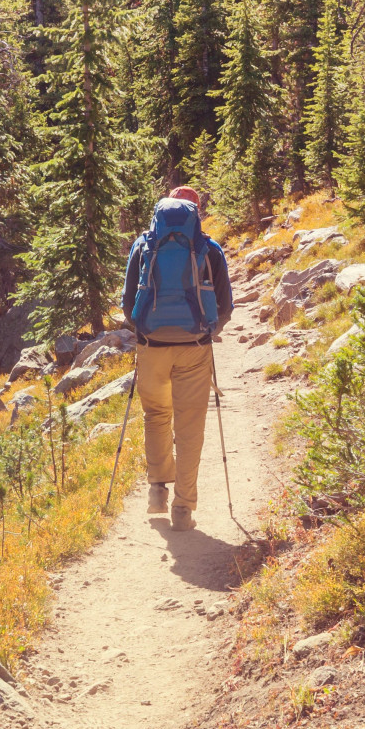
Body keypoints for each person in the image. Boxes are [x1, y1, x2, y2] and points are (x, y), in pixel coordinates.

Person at [121, 185, 233, 530]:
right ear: (196, 214)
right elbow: (226, 306)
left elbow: (128, 305)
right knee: (189, 427)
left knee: (156, 415)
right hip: (194, 347)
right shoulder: (208, 248)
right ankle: (183, 508)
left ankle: (157, 490)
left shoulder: (144, 246)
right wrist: (207, 332)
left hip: (152, 345)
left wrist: (145, 334)